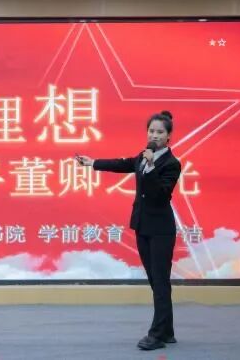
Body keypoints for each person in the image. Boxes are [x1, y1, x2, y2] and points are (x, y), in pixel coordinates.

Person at [76, 110, 182, 351]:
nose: (154, 135)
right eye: (151, 131)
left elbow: (161, 195)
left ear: (168, 136)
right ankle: (167, 331)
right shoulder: (142, 157)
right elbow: (122, 164)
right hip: (142, 226)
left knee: (161, 281)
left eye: (160, 132)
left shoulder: (171, 164)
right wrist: (93, 163)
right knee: (155, 281)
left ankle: (157, 335)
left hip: (161, 230)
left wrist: (152, 165)